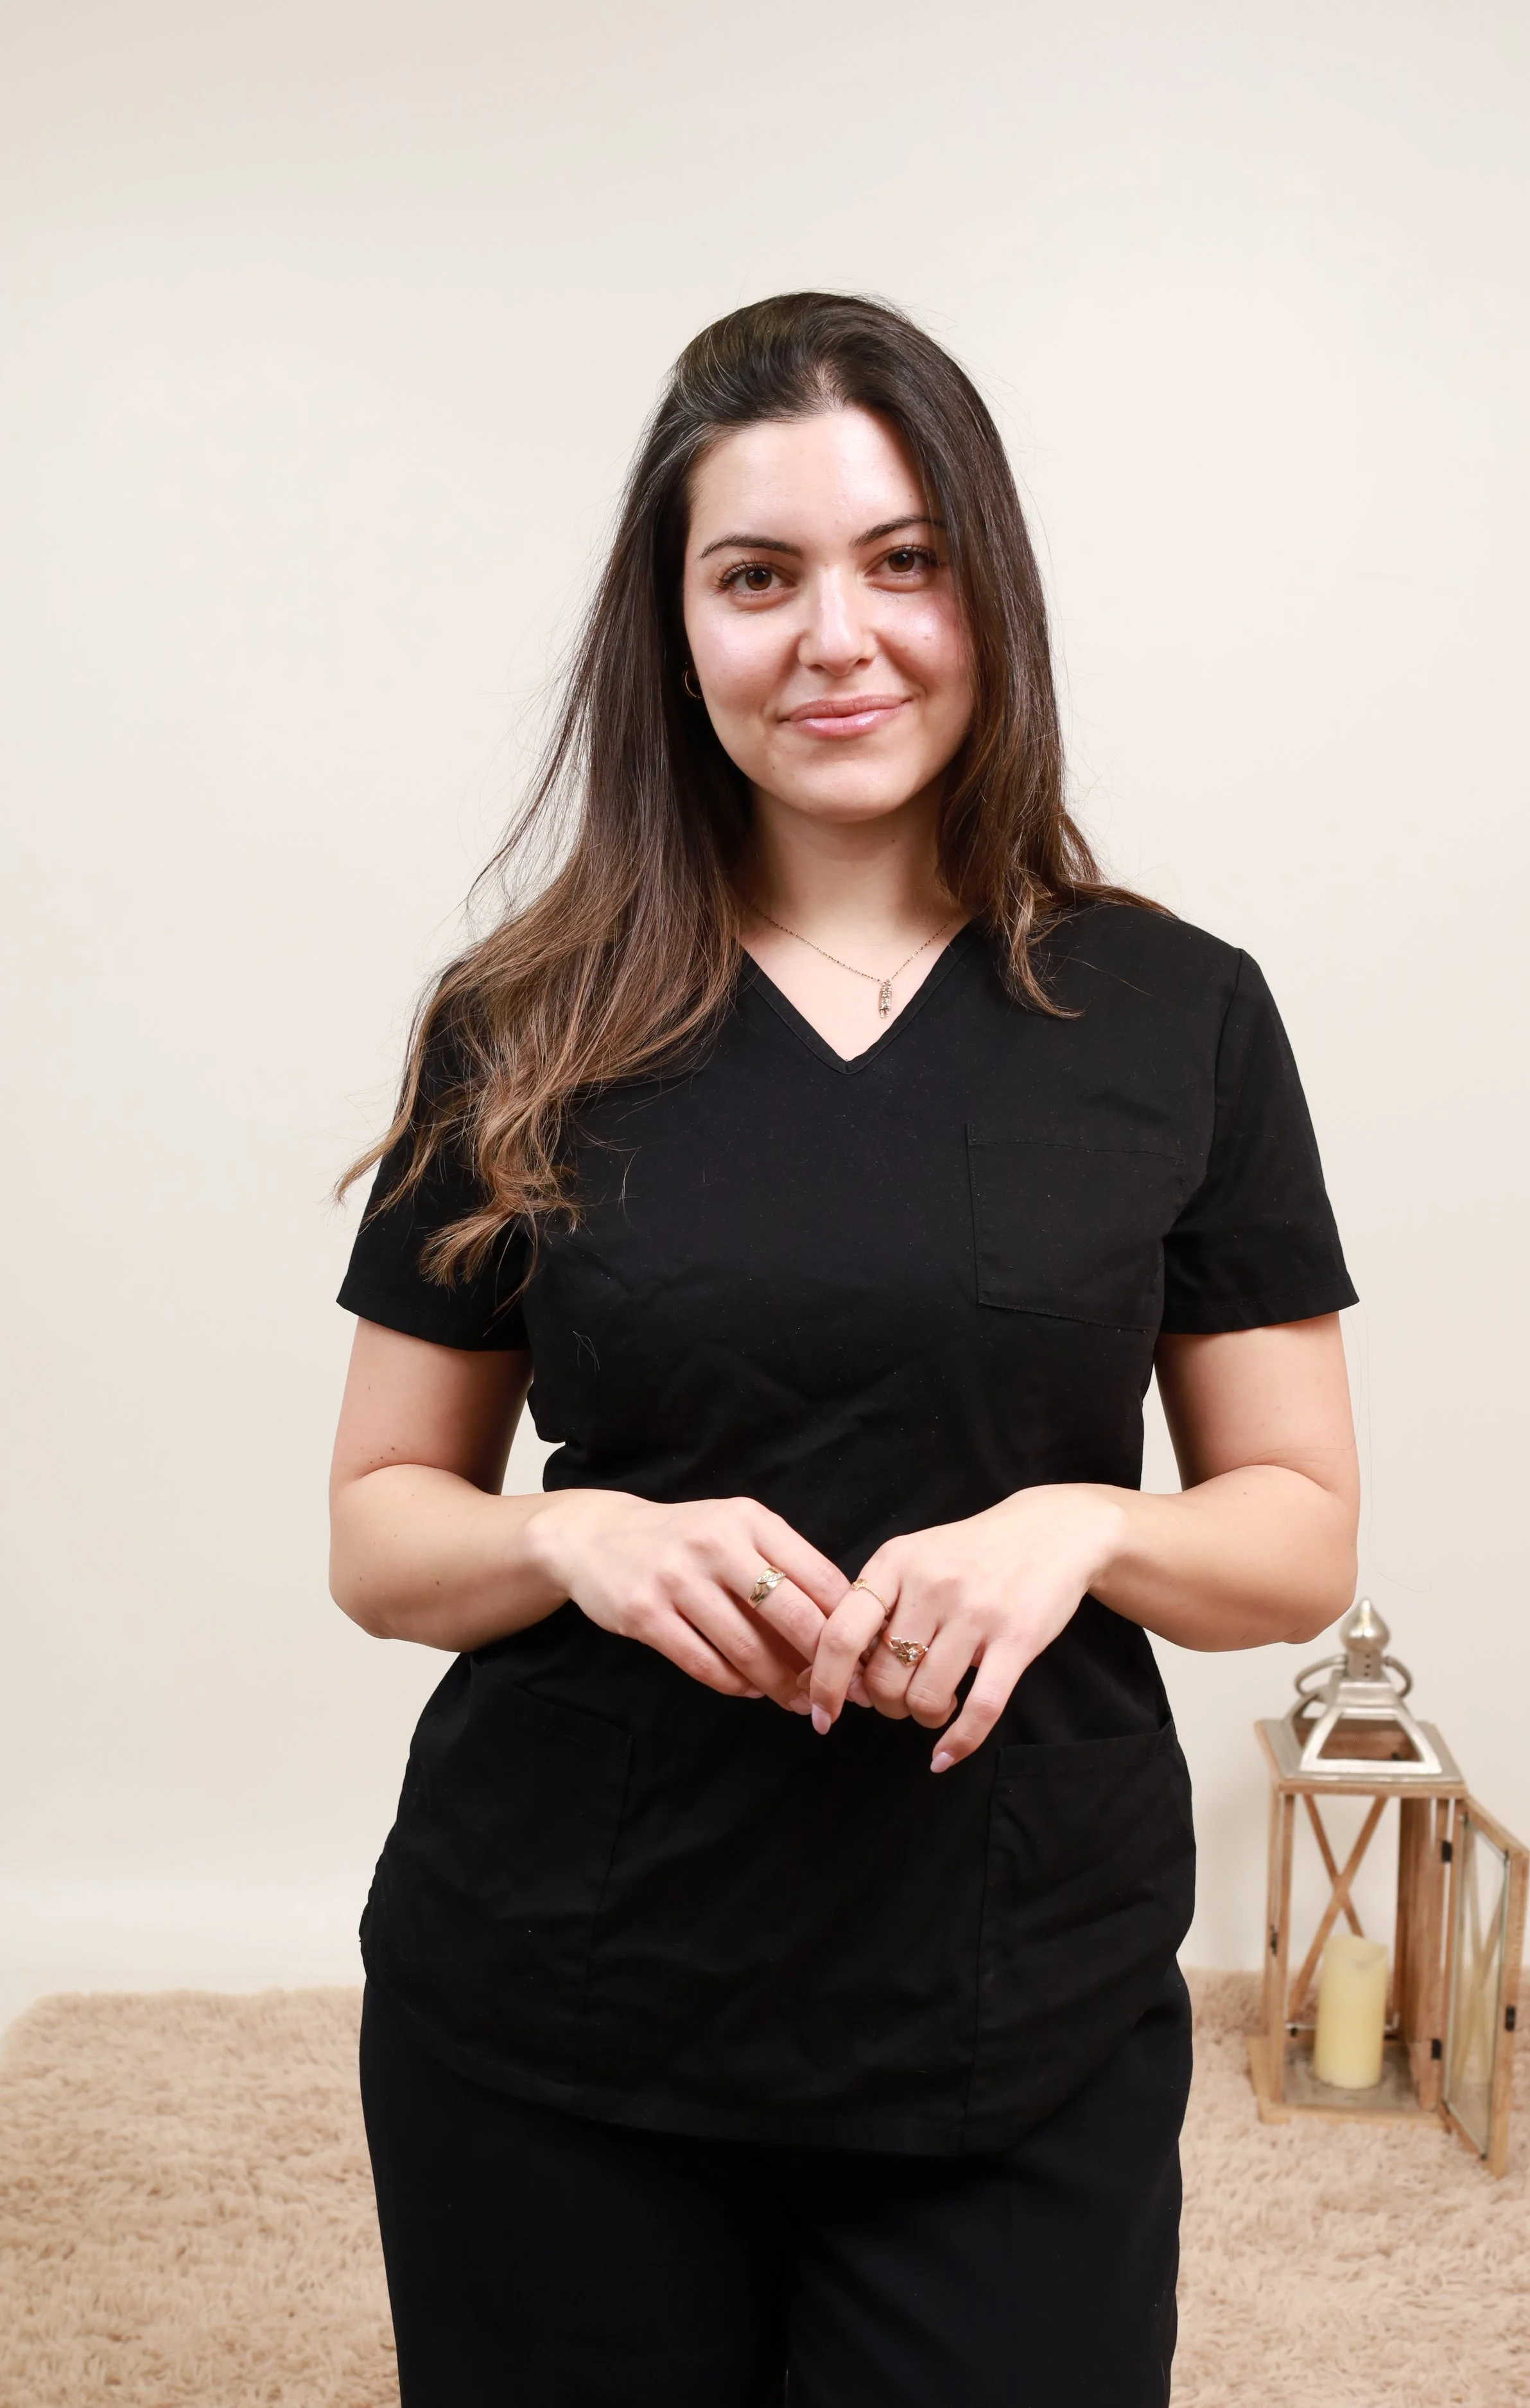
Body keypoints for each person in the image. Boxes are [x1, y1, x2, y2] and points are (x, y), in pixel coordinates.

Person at [329, 291, 1360, 2408]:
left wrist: (1083, 1522)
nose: (838, 636)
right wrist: (573, 1543)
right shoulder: (519, 1021)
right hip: (558, 2008)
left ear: (987, 592)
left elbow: (1295, 1537)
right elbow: (378, 1531)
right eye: (757, 575)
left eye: (903, 561)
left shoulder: (1182, 1016)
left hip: (1008, 2007)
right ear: (676, 626)